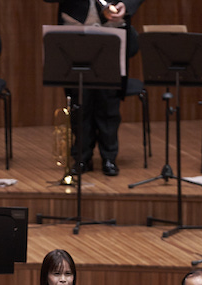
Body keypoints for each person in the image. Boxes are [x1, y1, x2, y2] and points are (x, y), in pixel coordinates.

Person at [43, 0, 141, 176]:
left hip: (113, 28)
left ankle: (109, 157)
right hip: (74, 28)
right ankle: (81, 157)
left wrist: (126, 4)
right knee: (80, 102)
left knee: (109, 102)